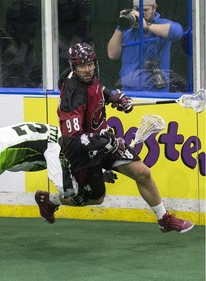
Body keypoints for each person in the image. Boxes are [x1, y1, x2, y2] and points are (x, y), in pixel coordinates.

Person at [43, 42, 193, 233]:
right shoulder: (72, 95)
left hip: (103, 141)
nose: (88, 69)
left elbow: (98, 89)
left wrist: (115, 97)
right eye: (82, 66)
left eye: (90, 64)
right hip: (81, 152)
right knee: (96, 199)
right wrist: (108, 142)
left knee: (142, 172)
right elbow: (74, 139)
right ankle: (49, 200)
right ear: (74, 67)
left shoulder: (87, 76)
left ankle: (164, 219)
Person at [107, 0, 184, 91]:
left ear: (154, 8)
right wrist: (121, 26)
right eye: (138, 10)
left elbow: (178, 33)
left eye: (145, 10)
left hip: (155, 90)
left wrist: (146, 26)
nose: (141, 13)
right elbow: (112, 54)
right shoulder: (128, 31)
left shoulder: (161, 24)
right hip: (128, 90)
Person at [58, 0, 93, 75]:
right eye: (80, 21)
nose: (84, 25)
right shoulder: (51, 42)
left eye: (85, 22)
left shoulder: (85, 41)